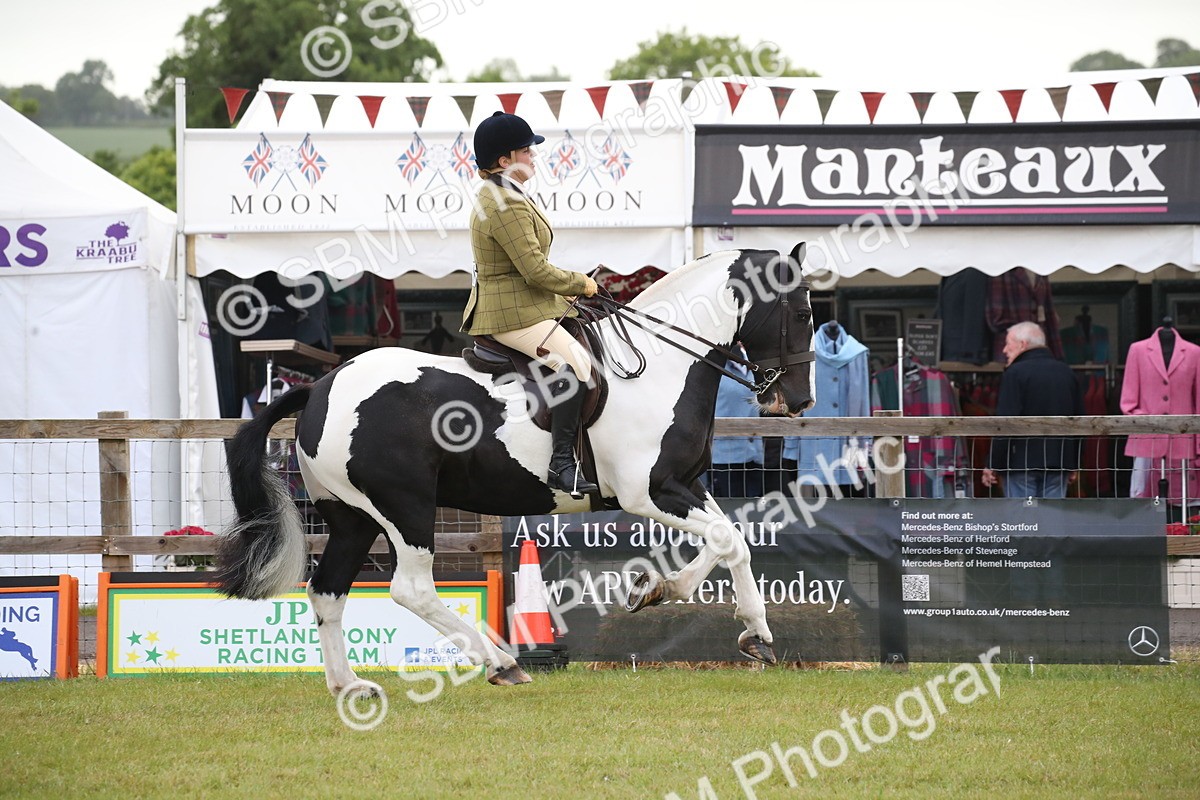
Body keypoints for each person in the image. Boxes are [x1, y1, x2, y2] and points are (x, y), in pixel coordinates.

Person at [461, 111, 600, 495]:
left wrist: (565, 293)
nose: (534, 156)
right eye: (527, 150)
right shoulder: (505, 203)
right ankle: (562, 465)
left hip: (524, 303)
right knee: (575, 364)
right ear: (504, 161)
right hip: (510, 312)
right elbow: (534, 270)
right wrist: (581, 284)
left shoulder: (505, 195)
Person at [982, 321, 1084, 498]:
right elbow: (1080, 421)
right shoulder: (1066, 373)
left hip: (1019, 464)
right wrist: (1075, 462)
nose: (1004, 350)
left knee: (1023, 522)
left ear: (1023, 344)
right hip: (1058, 462)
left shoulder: (1015, 373)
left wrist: (993, 463)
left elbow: (1006, 423)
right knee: (1051, 521)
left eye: (1008, 343)